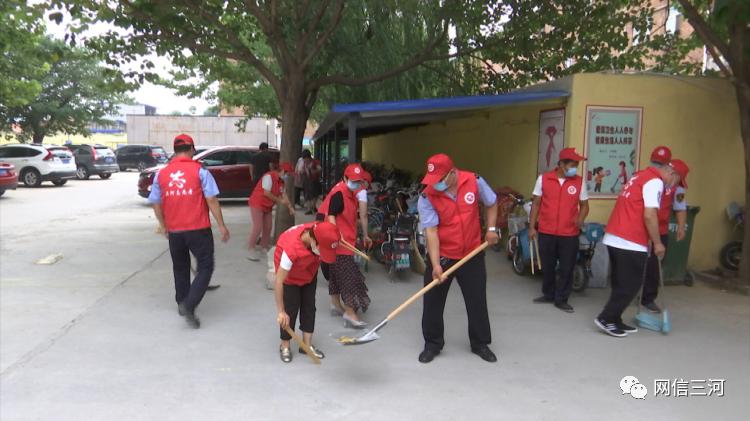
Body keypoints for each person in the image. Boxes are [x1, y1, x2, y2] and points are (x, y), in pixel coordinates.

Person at [417, 153, 500, 363]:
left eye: (438, 180)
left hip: (472, 252)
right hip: (443, 254)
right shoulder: (426, 197)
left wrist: (491, 229)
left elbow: (492, 202)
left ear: (452, 173)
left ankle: (480, 343)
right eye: (431, 181)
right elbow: (432, 232)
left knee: (477, 300)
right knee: (433, 301)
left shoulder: (474, 181)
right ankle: (432, 343)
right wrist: (435, 265)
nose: (434, 185)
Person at [148, 134, 230, 329]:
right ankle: (189, 304)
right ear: (192, 149)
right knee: (205, 266)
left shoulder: (162, 173)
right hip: (198, 228)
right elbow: (211, 199)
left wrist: (164, 225)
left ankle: (181, 302)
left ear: (175, 150)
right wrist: (221, 224)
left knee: (180, 266)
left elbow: (156, 203)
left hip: (175, 230)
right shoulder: (200, 171)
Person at [594, 160, 681, 337]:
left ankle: (615, 318)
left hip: (616, 235)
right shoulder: (655, 182)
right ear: (672, 174)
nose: (674, 185)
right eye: (677, 181)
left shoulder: (640, 176)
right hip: (629, 239)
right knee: (631, 284)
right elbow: (649, 215)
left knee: (621, 282)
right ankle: (606, 318)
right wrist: (657, 242)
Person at [528, 148, 589, 313]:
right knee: (547, 266)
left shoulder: (579, 181)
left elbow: (584, 206)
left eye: (577, 164)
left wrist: (580, 219)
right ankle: (548, 294)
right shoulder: (544, 179)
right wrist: (532, 227)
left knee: (566, 267)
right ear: (561, 164)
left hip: (569, 233)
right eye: (572, 164)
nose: (575, 167)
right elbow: (536, 204)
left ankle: (561, 299)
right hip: (546, 231)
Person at [274, 221, 340, 363]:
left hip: (309, 272)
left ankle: (306, 345)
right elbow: (278, 281)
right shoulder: (291, 249)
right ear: (312, 240)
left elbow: (332, 235)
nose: (323, 254)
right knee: (290, 310)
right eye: (322, 250)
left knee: (309, 306)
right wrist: (280, 311)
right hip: (289, 277)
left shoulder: (320, 230)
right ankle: (284, 345)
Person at [316, 163, 373, 328]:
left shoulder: (350, 193)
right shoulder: (339, 193)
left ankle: (335, 304)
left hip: (342, 241)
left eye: (359, 181)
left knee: (335, 273)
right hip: (339, 243)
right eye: (353, 181)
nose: (357, 184)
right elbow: (331, 215)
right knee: (349, 277)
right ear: (345, 178)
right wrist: (337, 234)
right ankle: (349, 312)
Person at [642, 148, 689, 313]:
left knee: (655, 266)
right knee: (636, 263)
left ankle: (648, 298)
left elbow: (680, 208)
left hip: (660, 230)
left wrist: (681, 227)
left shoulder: (678, 189)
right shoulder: (651, 179)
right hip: (641, 228)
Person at [247, 161, 295, 261]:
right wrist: (279, 201)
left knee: (268, 227)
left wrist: (290, 207)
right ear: (282, 171)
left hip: (267, 206)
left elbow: (284, 195)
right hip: (257, 203)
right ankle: (250, 249)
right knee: (258, 227)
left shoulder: (281, 182)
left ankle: (263, 247)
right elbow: (266, 193)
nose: (288, 176)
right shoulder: (269, 176)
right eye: (287, 174)